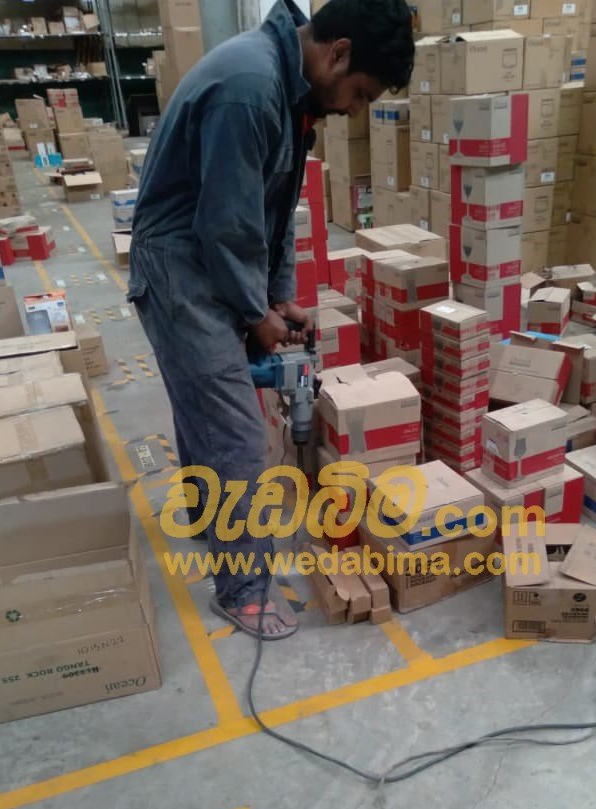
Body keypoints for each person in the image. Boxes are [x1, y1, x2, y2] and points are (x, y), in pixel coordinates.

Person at [128, 0, 414, 640]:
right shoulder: (250, 88)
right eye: (361, 94)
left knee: (205, 411)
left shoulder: (291, 95)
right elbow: (226, 226)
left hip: (205, 254)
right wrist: (255, 314)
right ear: (338, 53)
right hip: (179, 267)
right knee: (234, 434)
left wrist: (279, 297)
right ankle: (244, 590)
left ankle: (209, 521)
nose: (355, 110)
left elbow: (275, 213)